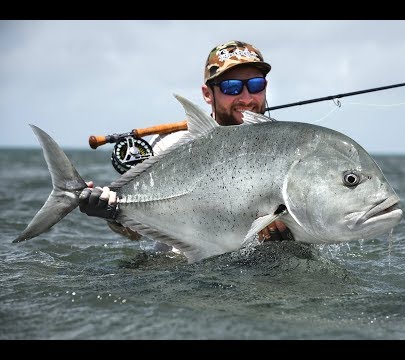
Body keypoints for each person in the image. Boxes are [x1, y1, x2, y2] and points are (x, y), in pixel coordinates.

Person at [79, 40, 294, 244]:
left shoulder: (289, 147)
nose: (246, 98)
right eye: (231, 87)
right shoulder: (170, 146)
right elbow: (135, 234)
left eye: (256, 85)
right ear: (207, 94)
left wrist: (288, 237)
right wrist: (112, 213)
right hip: (177, 269)